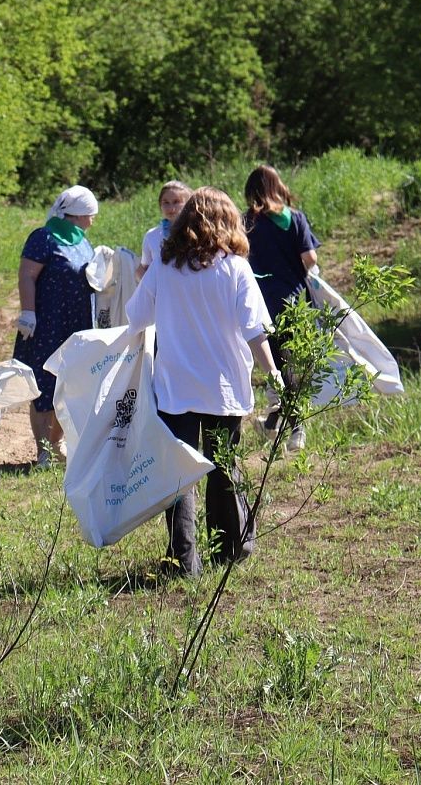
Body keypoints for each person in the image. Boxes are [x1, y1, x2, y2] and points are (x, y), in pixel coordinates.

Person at [125, 186, 282, 578]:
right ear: (228, 221)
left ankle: (183, 561)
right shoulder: (235, 268)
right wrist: (273, 373)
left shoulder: (164, 266)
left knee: (178, 472)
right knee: (223, 467)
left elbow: (136, 316)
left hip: (175, 386)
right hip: (222, 387)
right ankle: (231, 548)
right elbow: (255, 331)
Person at [13, 186, 97, 467]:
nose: (93, 220)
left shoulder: (83, 242)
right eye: (90, 214)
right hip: (46, 323)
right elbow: (27, 274)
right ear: (78, 214)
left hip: (76, 325)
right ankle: (43, 450)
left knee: (69, 385)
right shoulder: (43, 237)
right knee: (43, 387)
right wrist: (28, 312)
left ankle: (56, 442)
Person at [242, 164, 321, 451]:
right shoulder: (294, 218)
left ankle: (289, 426)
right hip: (297, 300)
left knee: (279, 366)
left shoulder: (246, 222)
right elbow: (310, 258)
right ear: (278, 187)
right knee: (290, 365)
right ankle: (282, 425)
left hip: (263, 302)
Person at [136, 180, 192, 281]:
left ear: (188, 204)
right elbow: (143, 269)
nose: (171, 208)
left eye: (176, 202)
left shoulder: (196, 234)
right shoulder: (152, 236)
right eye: (166, 202)